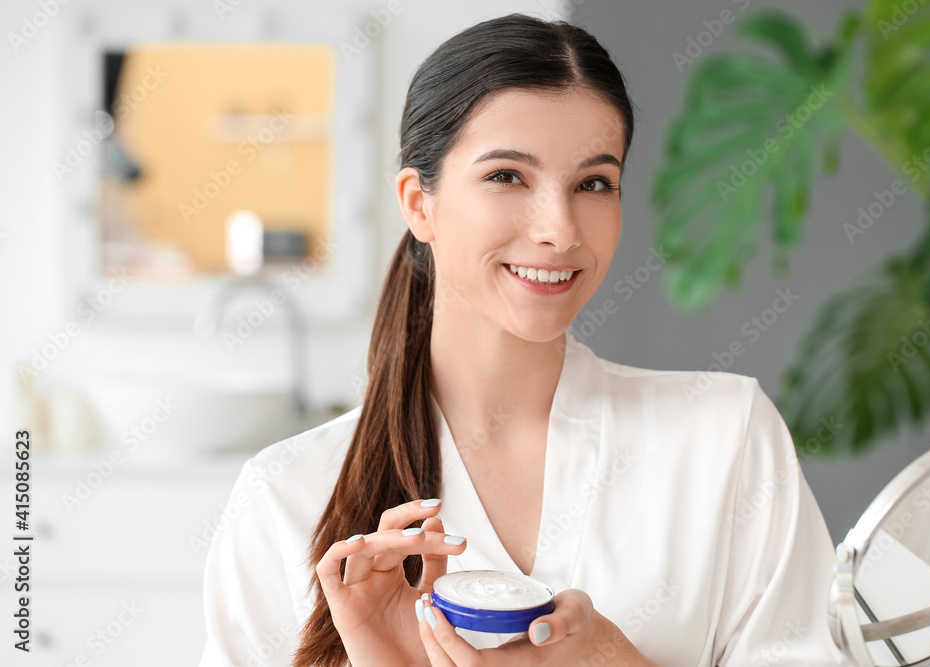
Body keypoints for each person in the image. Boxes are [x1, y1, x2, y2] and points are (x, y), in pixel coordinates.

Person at [199, 12, 847, 667]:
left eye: (593, 183)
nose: (559, 229)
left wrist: (612, 660)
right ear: (419, 203)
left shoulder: (725, 439)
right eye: (507, 175)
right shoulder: (289, 497)